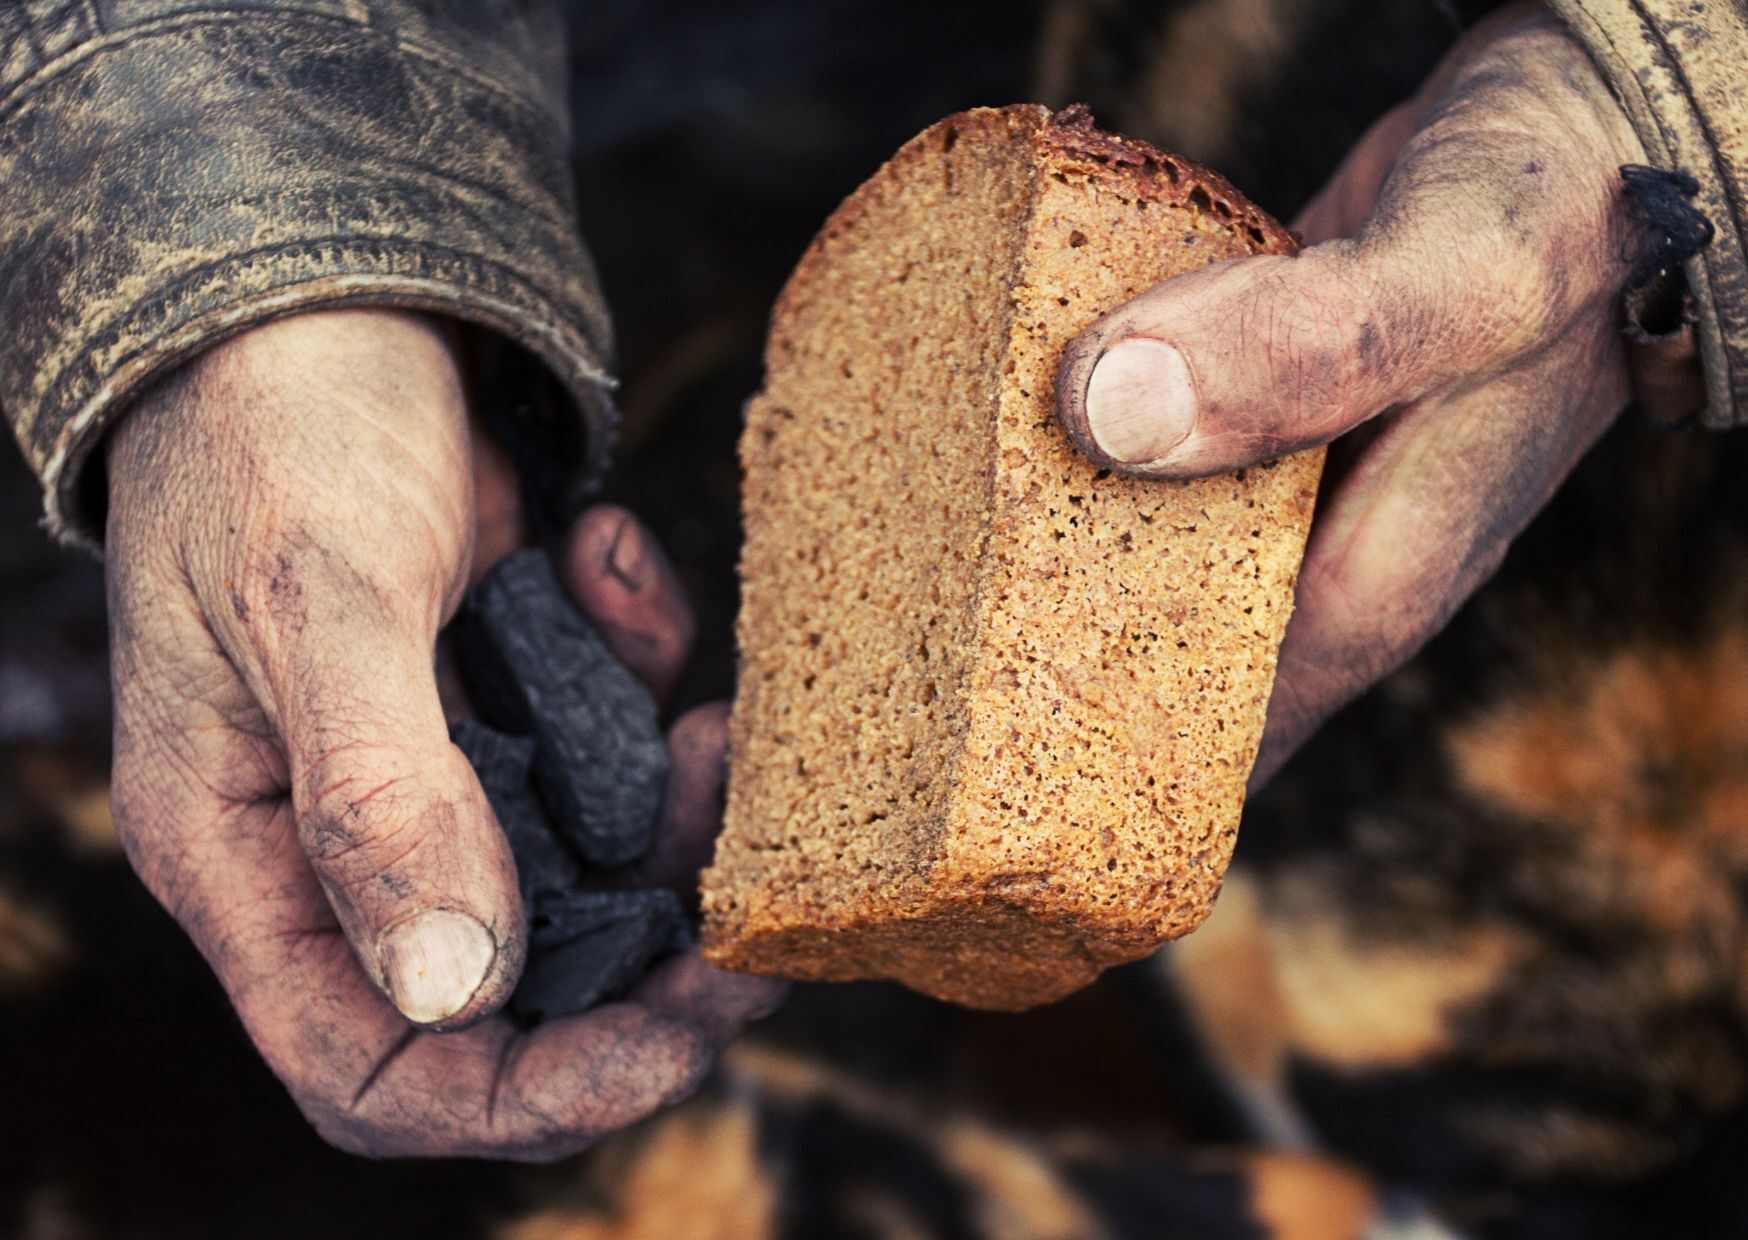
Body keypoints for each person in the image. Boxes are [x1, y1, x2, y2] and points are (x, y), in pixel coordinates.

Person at [0, 0, 1740, 1161]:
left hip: (1609, 624)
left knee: (1505, 1083)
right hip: (553, 166)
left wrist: (1676, 102)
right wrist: (261, 269)